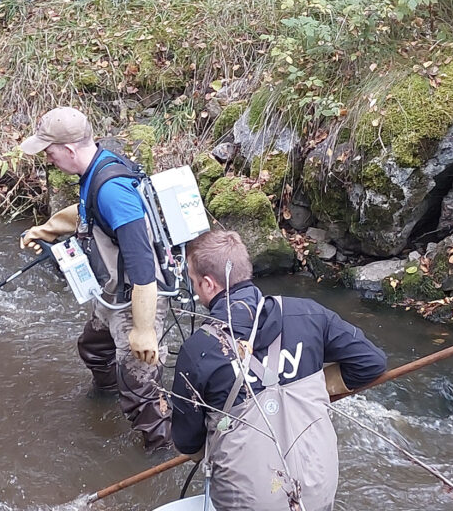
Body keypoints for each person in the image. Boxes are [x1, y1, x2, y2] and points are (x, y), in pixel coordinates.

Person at [171, 230, 388, 510]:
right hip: (319, 487)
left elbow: (188, 444)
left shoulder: (197, 351)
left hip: (249, 502)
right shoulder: (308, 314)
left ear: (209, 284)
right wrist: (313, 385)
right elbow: (371, 363)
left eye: (193, 281)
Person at [19, 107, 173, 450]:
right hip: (112, 293)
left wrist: (143, 330)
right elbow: (85, 211)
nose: (48, 158)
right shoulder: (96, 170)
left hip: (139, 297)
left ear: (70, 150)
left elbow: (143, 263)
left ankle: (162, 454)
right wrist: (45, 231)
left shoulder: (112, 190)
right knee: (93, 348)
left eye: (49, 151)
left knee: (142, 393)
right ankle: (107, 397)